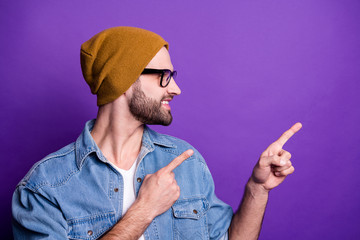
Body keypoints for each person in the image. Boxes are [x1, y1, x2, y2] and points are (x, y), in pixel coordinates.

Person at [12, 26, 302, 240]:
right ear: (124, 80)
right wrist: (144, 210)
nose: (175, 89)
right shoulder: (45, 187)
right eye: (164, 76)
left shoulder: (186, 161)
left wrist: (258, 188)